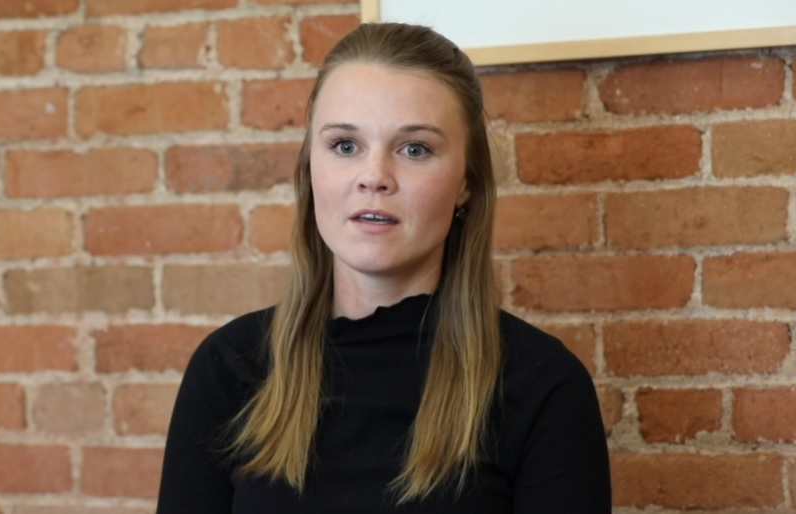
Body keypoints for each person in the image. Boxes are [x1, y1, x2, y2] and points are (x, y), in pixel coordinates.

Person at [155, 22, 611, 513]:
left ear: (466, 183)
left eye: (414, 149)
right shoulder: (230, 369)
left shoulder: (543, 387)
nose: (374, 177)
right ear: (311, 167)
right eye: (345, 146)